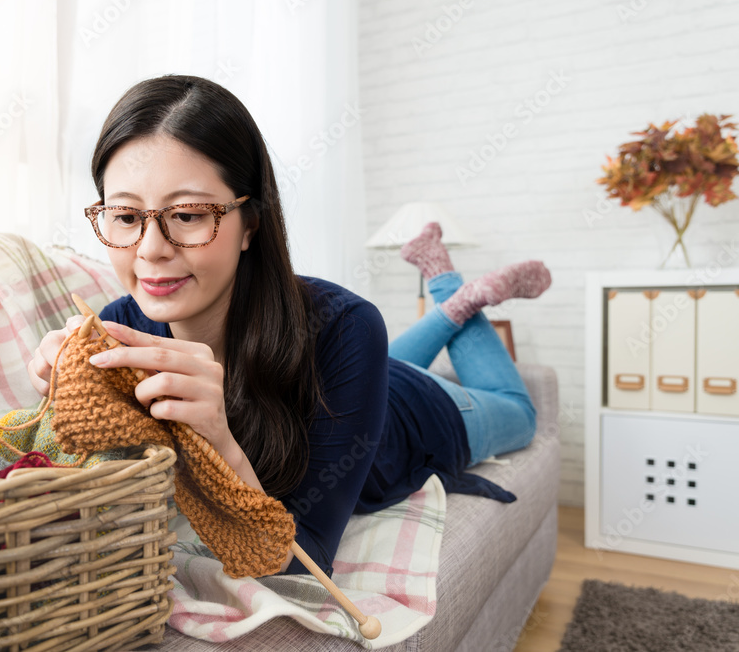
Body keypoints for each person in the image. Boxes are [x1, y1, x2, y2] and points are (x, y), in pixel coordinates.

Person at [27, 75, 551, 577]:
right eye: (124, 216)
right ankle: (452, 296)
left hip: (421, 412)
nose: (150, 249)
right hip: (360, 376)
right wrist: (55, 408)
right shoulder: (122, 327)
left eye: (187, 215)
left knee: (520, 412)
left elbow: (308, 556)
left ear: (250, 224)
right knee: (376, 361)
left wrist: (218, 438)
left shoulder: (347, 326)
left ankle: (453, 291)